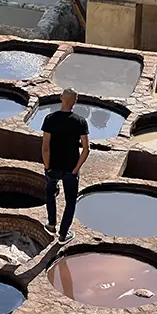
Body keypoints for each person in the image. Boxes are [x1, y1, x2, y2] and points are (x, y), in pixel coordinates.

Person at [41, 88, 89, 243]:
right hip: (71, 169)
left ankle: (51, 224)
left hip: (53, 166)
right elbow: (86, 149)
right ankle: (63, 234)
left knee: (50, 193)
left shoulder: (50, 119)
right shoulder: (80, 121)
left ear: (61, 97)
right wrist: (76, 169)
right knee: (70, 202)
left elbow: (45, 147)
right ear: (75, 101)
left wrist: (47, 167)